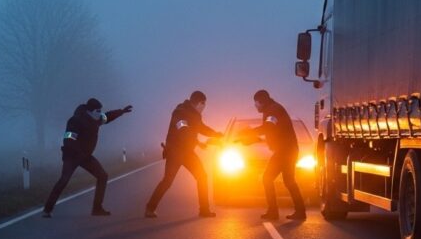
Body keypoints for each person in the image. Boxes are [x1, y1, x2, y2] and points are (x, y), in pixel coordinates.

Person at [42, 98, 132, 218]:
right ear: (90, 111)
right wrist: (77, 153)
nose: (101, 114)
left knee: (103, 176)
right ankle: (47, 210)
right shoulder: (75, 121)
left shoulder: (97, 119)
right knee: (63, 180)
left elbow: (107, 116)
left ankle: (97, 208)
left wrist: (121, 111)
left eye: (101, 111)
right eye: (98, 111)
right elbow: (68, 139)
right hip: (71, 156)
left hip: (85, 156)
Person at [145, 90, 222, 218]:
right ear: (199, 103)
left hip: (187, 152)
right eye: (204, 105)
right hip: (175, 152)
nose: (204, 108)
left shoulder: (195, 115)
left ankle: (204, 210)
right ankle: (149, 208)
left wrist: (216, 135)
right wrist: (197, 142)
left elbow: (201, 128)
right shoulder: (180, 112)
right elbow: (183, 130)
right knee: (167, 181)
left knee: (202, 176)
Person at [241, 89, 306, 221]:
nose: (255, 106)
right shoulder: (272, 109)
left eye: (256, 103)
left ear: (261, 101)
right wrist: (255, 139)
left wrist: (250, 133)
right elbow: (273, 132)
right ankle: (300, 211)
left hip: (285, 151)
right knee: (289, 181)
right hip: (287, 150)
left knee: (267, 178)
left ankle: (273, 212)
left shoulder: (273, 110)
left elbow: (269, 127)